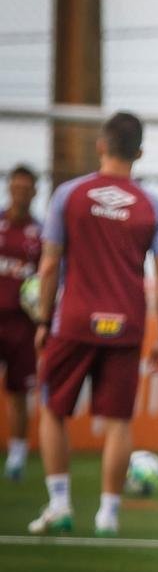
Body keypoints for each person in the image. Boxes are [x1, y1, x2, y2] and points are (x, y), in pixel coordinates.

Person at [29, 111, 158, 537]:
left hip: (73, 321)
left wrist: (42, 319)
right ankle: (108, 513)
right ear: (140, 153)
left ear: (100, 145)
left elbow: (50, 262)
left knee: (54, 411)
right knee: (119, 423)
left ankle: (59, 503)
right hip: (126, 324)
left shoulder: (68, 196)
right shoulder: (153, 206)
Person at [1, 165, 41, 480]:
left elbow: (47, 277)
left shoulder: (39, 233)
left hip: (23, 324)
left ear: (35, 192)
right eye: (16, 187)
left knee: (19, 391)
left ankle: (16, 455)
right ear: (9, 188)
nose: (21, 193)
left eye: (27, 188)